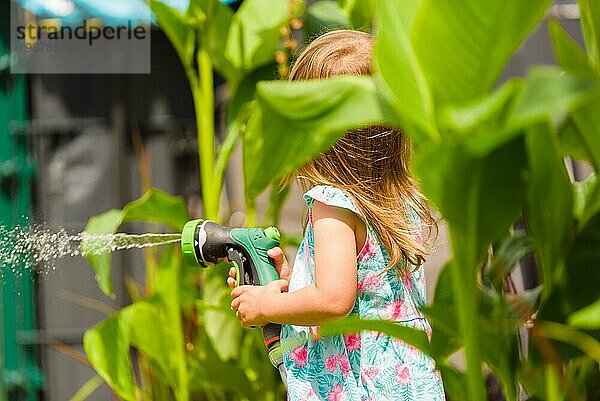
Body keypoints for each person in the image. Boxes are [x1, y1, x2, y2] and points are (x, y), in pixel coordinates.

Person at [227, 29, 445, 401]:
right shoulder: (400, 194)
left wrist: (266, 305)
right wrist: (295, 283)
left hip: (362, 387)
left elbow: (333, 299)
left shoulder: (334, 202)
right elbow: (367, 289)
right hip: (408, 381)